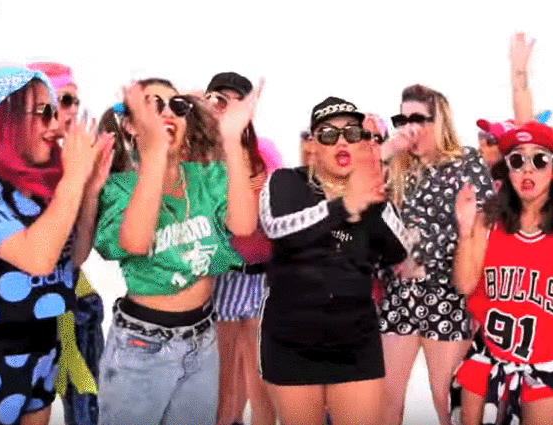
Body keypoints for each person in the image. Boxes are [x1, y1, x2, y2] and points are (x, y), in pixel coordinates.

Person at [0, 65, 112, 425]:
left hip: (42, 352)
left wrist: (90, 190)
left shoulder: (39, 186)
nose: (54, 125)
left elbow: (71, 259)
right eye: (42, 112)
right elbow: (36, 258)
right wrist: (73, 179)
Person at [93, 77, 258, 425]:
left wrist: (231, 142)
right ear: (130, 124)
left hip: (203, 339)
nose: (168, 112)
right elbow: (135, 242)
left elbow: (243, 225)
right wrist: (155, 155)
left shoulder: (205, 176)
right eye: (153, 105)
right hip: (141, 347)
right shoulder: (119, 186)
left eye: (177, 106)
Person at [258, 96, 408, 425]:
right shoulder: (286, 181)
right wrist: (344, 206)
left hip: (355, 340)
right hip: (292, 340)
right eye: (328, 134)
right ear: (313, 145)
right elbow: (277, 229)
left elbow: (398, 252)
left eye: (352, 133)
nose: (341, 141)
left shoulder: (372, 194)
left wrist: (376, 200)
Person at [451, 120, 553, 425]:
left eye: (539, 159)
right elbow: (465, 284)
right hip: (486, 361)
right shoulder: (488, 221)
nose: (527, 169)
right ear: (507, 171)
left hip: (543, 368)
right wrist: (465, 231)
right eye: (517, 160)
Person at [378, 84, 494, 425]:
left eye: (418, 118)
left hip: (447, 293)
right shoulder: (397, 167)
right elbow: (359, 205)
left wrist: (421, 253)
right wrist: (387, 151)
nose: (409, 127)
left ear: (438, 120)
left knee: (446, 399)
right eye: (403, 119)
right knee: (386, 400)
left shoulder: (466, 161)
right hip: (399, 294)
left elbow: (480, 227)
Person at [28, 60, 108, 425]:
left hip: (76, 304)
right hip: (20, 318)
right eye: (63, 100)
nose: (73, 110)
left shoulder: (70, 162)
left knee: (88, 411)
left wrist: (90, 190)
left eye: (74, 100)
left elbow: (75, 255)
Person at [206, 71, 279, 425]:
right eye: (219, 100)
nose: (227, 108)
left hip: (260, 275)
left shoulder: (263, 151)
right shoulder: (199, 155)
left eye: (237, 101)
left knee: (260, 377)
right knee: (224, 380)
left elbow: (278, 214)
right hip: (221, 275)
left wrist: (259, 191)